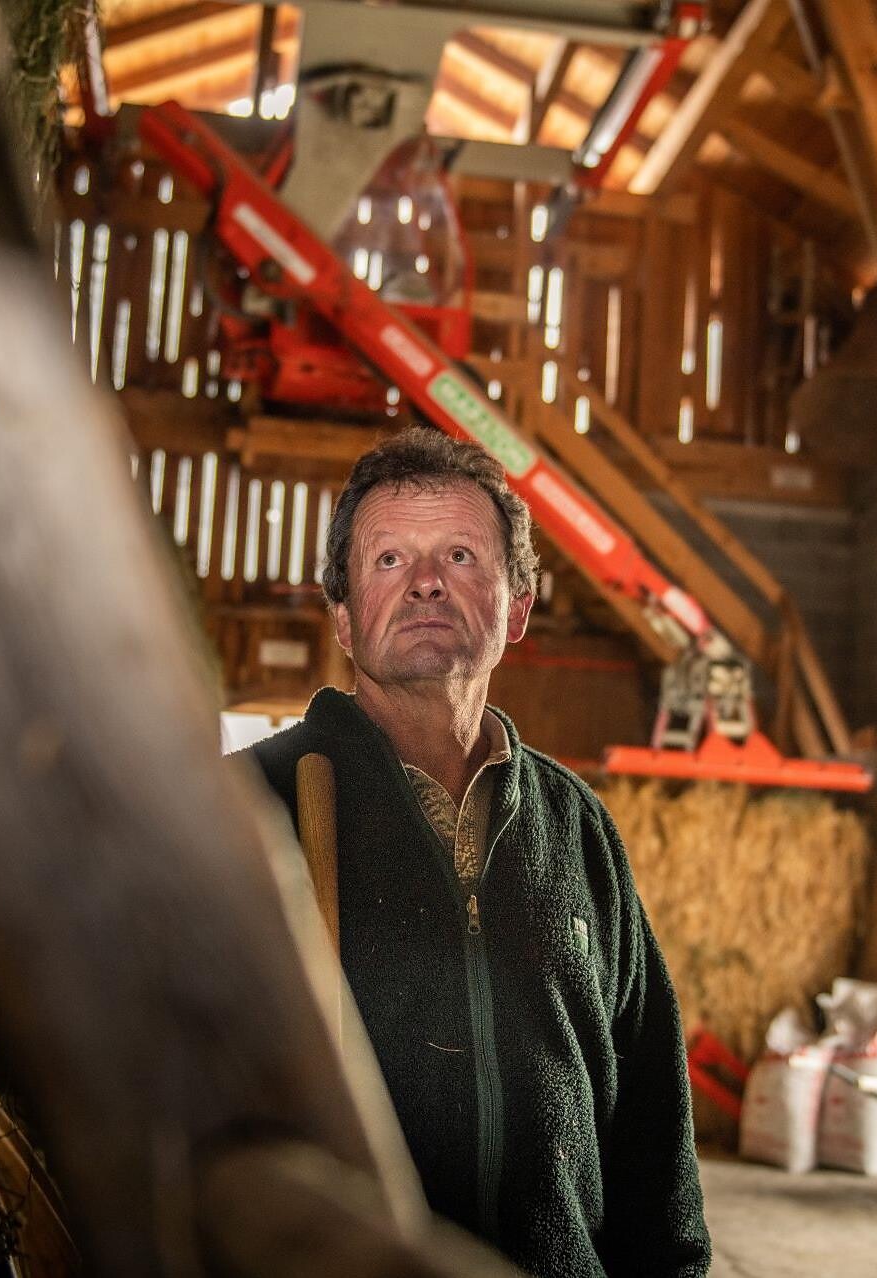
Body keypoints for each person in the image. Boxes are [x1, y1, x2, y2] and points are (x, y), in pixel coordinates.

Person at [242, 427, 710, 1276]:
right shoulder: (249, 808)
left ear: (518, 608)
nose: (425, 581)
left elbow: (653, 1129)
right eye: (389, 559)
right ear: (343, 617)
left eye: (459, 555)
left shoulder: (578, 828)